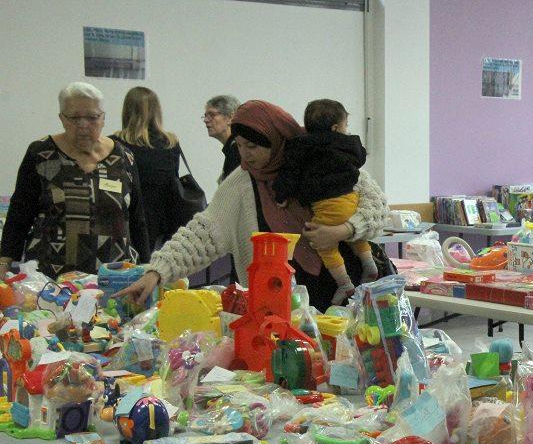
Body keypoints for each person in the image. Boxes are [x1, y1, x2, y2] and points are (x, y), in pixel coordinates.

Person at [118, 100, 389, 311]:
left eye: (254, 146)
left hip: (349, 293)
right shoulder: (241, 184)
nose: (246, 155)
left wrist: (342, 230)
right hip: (284, 309)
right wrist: (158, 271)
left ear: (277, 139)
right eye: (240, 145)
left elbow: (377, 208)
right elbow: (203, 233)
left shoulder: (323, 159)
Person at [0, 82, 149, 279]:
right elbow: (19, 214)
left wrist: (147, 267)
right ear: (62, 118)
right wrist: (4, 262)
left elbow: (137, 218)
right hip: (51, 279)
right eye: (74, 118)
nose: (83, 125)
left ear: (103, 118)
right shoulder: (42, 154)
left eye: (92, 117)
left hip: (114, 277)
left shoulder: (124, 157)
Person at [273, 99, 377, 305]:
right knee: (355, 236)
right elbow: (360, 157)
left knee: (324, 244)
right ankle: (369, 263)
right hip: (351, 200)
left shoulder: (300, 146)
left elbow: (290, 175)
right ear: (336, 127)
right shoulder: (349, 143)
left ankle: (344, 283)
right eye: (346, 126)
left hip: (326, 206)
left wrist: (281, 196)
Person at [112, 87, 183, 248]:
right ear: (157, 112)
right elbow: (173, 180)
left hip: (127, 217)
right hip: (161, 219)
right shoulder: (170, 143)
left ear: (127, 111)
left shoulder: (115, 144)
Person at [204, 95, 241, 184]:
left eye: (212, 115)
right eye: (205, 116)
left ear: (231, 118)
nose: (205, 120)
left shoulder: (238, 150)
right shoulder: (233, 148)